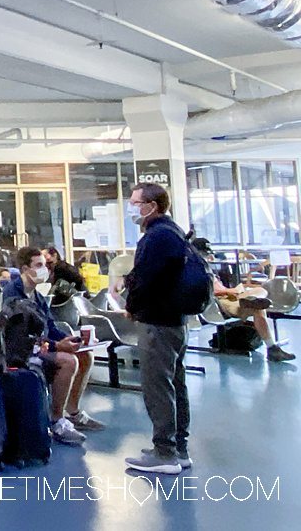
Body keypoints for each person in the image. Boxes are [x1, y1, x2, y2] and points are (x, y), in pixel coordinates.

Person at [122, 183, 192, 476]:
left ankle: (165, 453)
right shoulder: (174, 232)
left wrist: (131, 305)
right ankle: (179, 448)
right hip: (175, 320)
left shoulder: (157, 237)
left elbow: (145, 280)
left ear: (152, 205)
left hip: (158, 323)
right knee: (176, 383)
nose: (132, 208)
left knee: (158, 386)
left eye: (136, 203)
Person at [2, 246, 102, 446]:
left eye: (45, 265)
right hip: (21, 352)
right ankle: (57, 420)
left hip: (41, 345)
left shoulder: (37, 296)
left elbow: (50, 327)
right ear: (24, 269)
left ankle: (72, 412)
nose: (44, 270)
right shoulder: (12, 294)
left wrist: (72, 340)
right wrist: (58, 346)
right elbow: (22, 336)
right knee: (68, 361)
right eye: (38, 265)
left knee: (85, 355)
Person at [191, 238, 296, 362]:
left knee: (260, 291)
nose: (208, 257)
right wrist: (231, 291)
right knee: (258, 307)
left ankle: (252, 299)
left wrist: (234, 291)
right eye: (205, 254)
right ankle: (272, 348)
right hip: (219, 302)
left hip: (230, 296)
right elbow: (211, 291)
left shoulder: (205, 267)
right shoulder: (195, 269)